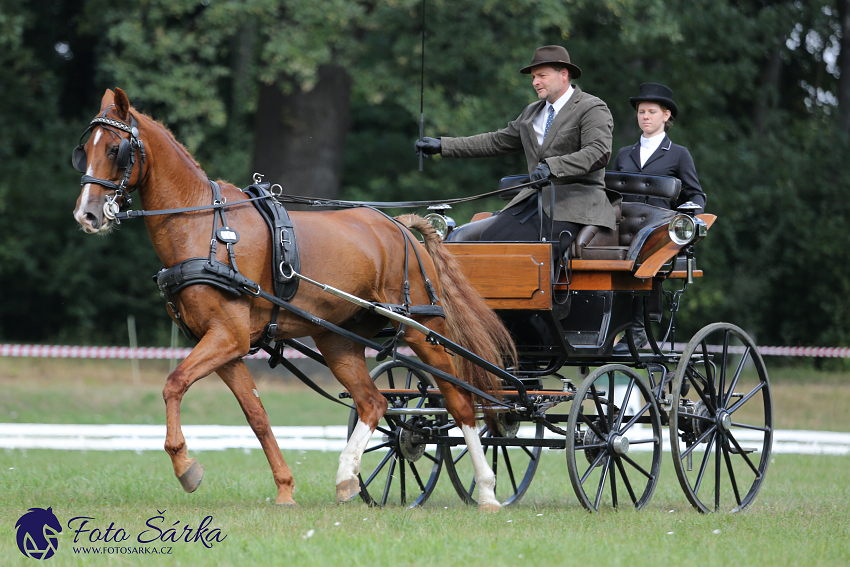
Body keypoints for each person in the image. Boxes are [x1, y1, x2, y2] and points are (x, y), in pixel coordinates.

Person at [415, 45, 617, 258]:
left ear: (564, 74)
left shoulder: (591, 107)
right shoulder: (532, 112)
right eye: (533, 77)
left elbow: (598, 152)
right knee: (488, 238)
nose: (535, 82)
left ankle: (541, 292)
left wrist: (552, 166)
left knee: (515, 248)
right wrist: (443, 145)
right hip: (532, 201)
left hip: (576, 204)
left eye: (542, 76)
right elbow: (496, 141)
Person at [609, 82, 706, 352]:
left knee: (641, 262)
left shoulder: (678, 154)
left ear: (666, 115)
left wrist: (686, 217)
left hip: (658, 231)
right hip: (622, 229)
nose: (645, 117)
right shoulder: (624, 154)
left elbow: (696, 196)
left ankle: (638, 334)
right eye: (641, 112)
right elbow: (611, 194)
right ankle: (613, 331)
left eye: (652, 111)